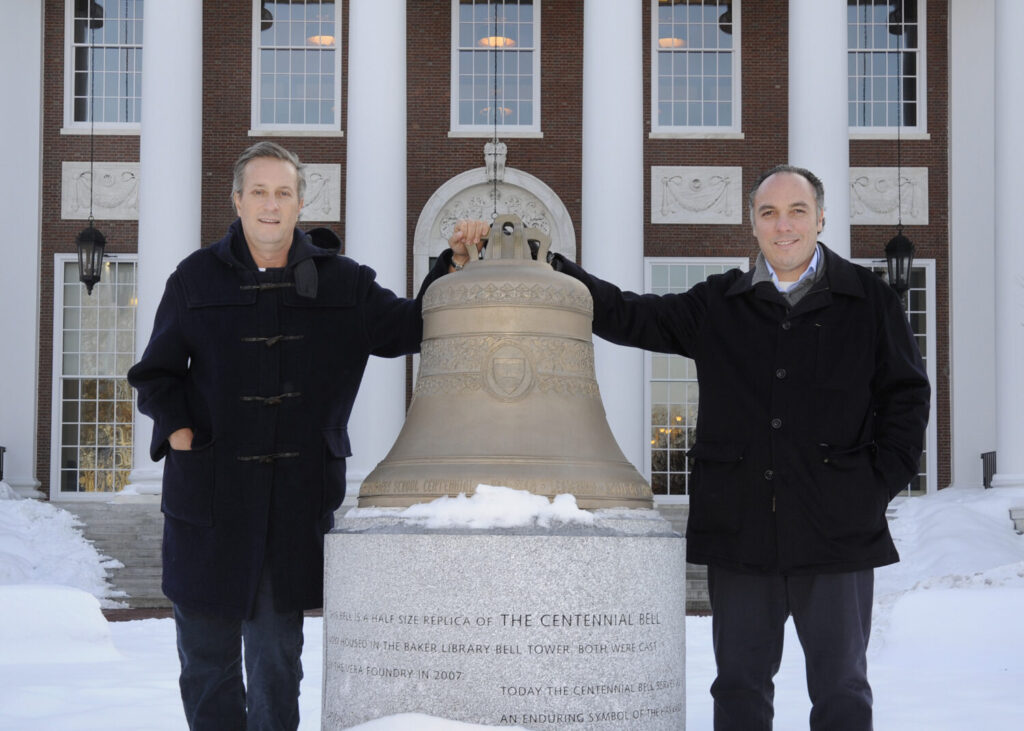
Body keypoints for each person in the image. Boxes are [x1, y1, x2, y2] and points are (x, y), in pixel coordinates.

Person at [549, 165, 930, 730]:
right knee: (738, 690)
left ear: (821, 219)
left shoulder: (869, 300)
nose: (783, 226)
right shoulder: (718, 303)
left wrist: (873, 486)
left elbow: (906, 397)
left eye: (797, 211)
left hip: (838, 530)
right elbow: (630, 314)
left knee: (842, 689)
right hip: (741, 529)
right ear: (751, 223)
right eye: (768, 213)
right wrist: (549, 268)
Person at [127, 141, 487, 731]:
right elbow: (156, 375)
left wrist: (449, 267)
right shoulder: (194, 279)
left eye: (284, 193)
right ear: (238, 200)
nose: (271, 205)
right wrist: (183, 434)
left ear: (300, 203)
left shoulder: (344, 283)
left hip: (289, 508)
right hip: (207, 508)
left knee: (275, 663)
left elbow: (411, 327)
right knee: (206, 665)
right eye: (260, 192)